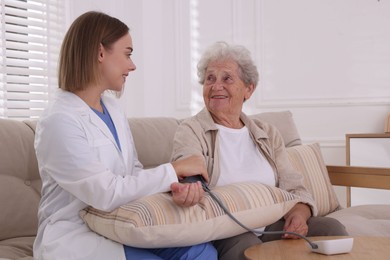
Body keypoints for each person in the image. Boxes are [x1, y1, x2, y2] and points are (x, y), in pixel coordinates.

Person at [33, 11, 217, 260]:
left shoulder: (113, 109)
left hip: (120, 224)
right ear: (100, 53)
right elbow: (105, 193)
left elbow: (132, 172)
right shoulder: (59, 121)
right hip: (76, 235)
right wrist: (172, 170)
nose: (132, 65)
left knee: (202, 252)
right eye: (127, 53)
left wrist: (174, 187)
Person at [171, 42, 348, 260]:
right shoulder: (191, 130)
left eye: (226, 78)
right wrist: (187, 188)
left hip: (273, 223)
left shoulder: (267, 133)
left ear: (249, 89)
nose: (216, 86)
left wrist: (298, 215)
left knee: (332, 229)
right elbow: (188, 174)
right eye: (210, 78)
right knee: (249, 249)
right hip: (227, 229)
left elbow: (294, 186)